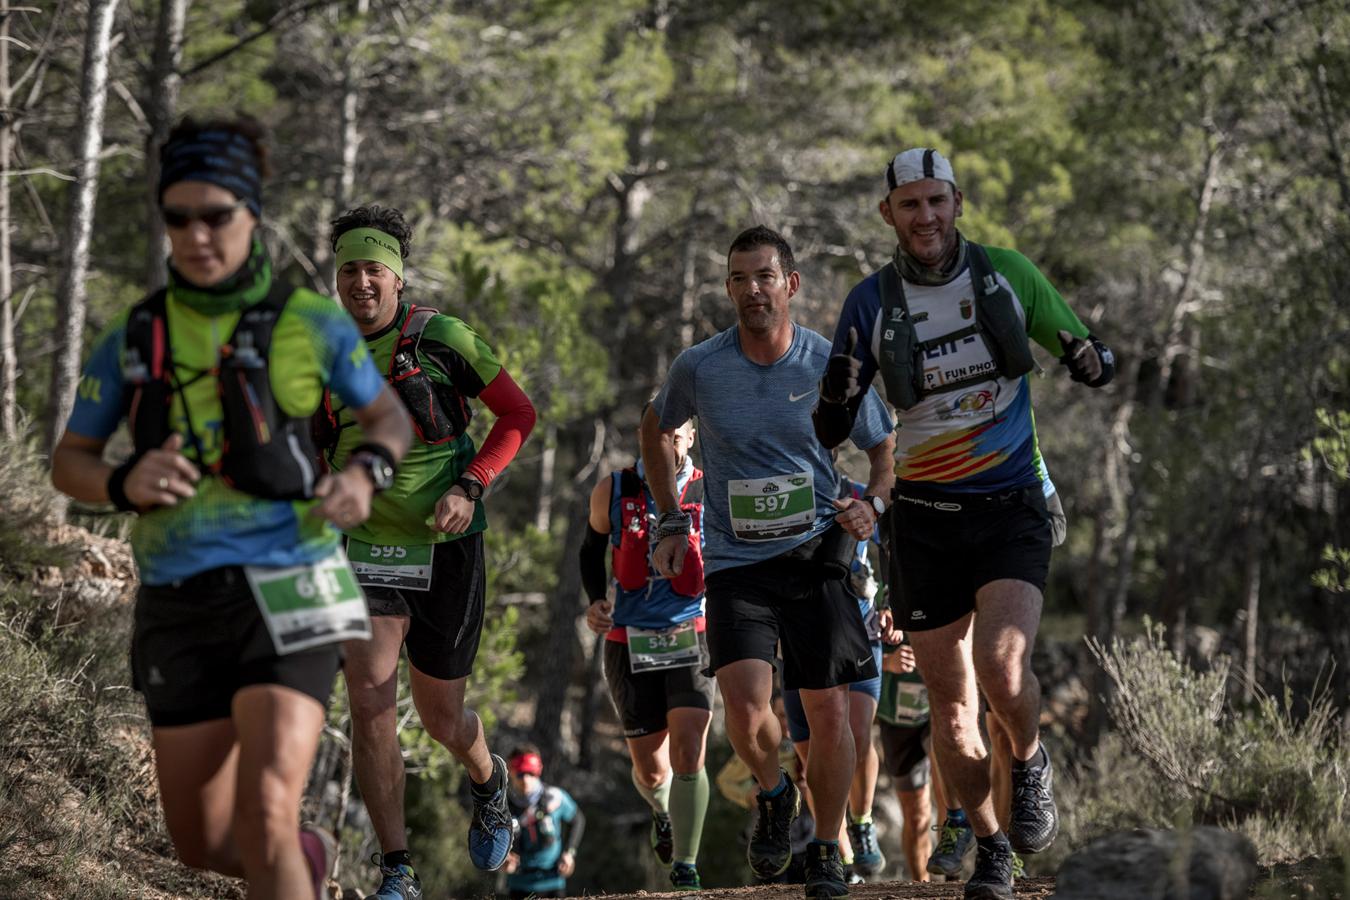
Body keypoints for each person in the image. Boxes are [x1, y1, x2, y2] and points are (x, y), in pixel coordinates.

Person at [51, 116, 412, 899]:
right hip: (179, 603)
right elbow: (68, 463)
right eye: (178, 216)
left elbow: (389, 418)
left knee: (265, 811)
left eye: (216, 214)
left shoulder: (309, 323)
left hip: (293, 581)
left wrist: (364, 476)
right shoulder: (134, 335)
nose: (197, 234)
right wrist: (122, 482)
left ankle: (290, 848)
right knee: (203, 840)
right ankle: (309, 864)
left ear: (252, 214)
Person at [814, 147, 1115, 900]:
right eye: (909, 204)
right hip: (922, 520)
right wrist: (838, 397)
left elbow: (1080, 345)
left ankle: (1033, 758)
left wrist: (1092, 359)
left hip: (1011, 500)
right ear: (888, 214)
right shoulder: (869, 302)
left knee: (1004, 673)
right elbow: (830, 423)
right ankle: (989, 847)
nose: (926, 217)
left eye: (937, 201)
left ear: (958, 204)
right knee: (950, 706)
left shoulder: (1008, 275)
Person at [643, 225, 896, 900]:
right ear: (727, 289)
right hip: (735, 563)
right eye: (739, 278)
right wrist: (671, 518)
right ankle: (775, 790)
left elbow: (884, 447)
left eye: (764, 276)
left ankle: (825, 848)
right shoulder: (700, 367)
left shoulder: (827, 363)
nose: (752, 290)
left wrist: (873, 502)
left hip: (816, 553)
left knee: (831, 714)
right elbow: (657, 428)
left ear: (791, 284)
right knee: (746, 714)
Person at [319, 205, 536, 898]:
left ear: (397, 276)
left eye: (373, 269)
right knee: (369, 702)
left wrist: (472, 486)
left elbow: (518, 414)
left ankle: (488, 777)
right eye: (348, 269)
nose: (360, 282)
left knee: (442, 716)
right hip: (369, 549)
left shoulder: (441, 338)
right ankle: (397, 869)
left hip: (449, 548)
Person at [580, 415, 713, 891]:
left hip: (691, 631)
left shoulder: (709, 486)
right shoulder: (614, 488)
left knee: (688, 750)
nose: (670, 444)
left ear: (692, 436)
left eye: (678, 435)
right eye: (661, 435)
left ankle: (686, 864)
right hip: (628, 638)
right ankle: (662, 811)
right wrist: (596, 600)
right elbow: (590, 548)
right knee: (652, 768)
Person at [780, 466, 898, 882]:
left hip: (860, 627)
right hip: (799, 632)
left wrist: (891, 602)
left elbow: (892, 547)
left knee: (859, 734)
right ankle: (841, 857)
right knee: (811, 756)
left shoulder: (859, 493)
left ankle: (862, 822)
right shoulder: (777, 492)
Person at [503, 745, 585, 899]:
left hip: (553, 883)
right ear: (511, 772)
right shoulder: (504, 808)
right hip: (518, 884)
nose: (525, 779)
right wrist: (502, 860)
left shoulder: (555, 798)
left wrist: (570, 853)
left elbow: (578, 819)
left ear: (538, 770)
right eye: (520, 773)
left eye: (530, 772)